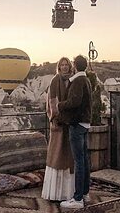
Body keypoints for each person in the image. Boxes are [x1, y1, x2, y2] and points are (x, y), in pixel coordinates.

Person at [57, 55, 92, 209]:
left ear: (75, 66)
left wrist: (60, 105)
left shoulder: (78, 81)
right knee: (84, 160)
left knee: (78, 161)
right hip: (85, 124)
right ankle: (85, 193)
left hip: (77, 124)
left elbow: (74, 102)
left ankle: (77, 199)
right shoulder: (87, 80)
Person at [41, 57, 75, 201]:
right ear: (59, 67)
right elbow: (52, 102)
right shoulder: (55, 80)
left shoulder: (72, 80)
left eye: (66, 64)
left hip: (69, 124)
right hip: (59, 124)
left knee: (68, 157)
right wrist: (57, 118)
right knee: (57, 156)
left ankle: (67, 193)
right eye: (62, 65)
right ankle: (55, 192)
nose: (64, 67)